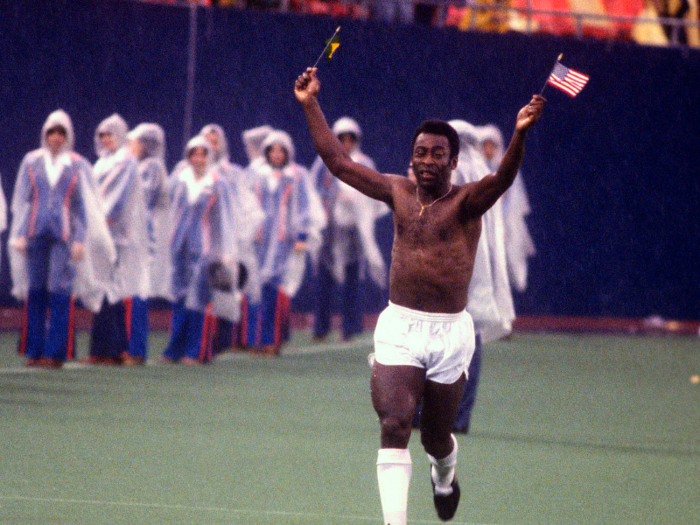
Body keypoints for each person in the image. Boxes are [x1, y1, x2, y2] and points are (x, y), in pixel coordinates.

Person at [294, 67, 544, 524]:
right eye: (420, 153)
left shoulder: (468, 201)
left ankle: (444, 475)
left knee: (435, 436)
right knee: (393, 424)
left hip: (450, 332)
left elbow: (503, 178)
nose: (427, 161)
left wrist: (520, 134)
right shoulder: (398, 192)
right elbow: (339, 164)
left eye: (437, 154)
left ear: (453, 162)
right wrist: (310, 104)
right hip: (400, 327)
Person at [9, 109, 114, 368]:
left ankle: (55, 352)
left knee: (59, 290)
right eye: (52, 132)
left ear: (68, 136)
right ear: (45, 134)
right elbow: (23, 200)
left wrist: (80, 239)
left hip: (63, 236)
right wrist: (20, 233)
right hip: (35, 233)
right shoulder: (32, 161)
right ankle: (34, 349)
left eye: (61, 132)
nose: (56, 137)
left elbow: (83, 207)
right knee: (35, 291)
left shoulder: (77, 164)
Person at [160, 135, 241, 365]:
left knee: (199, 299)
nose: (198, 158)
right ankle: (174, 348)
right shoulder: (178, 179)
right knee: (179, 297)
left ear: (209, 156)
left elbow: (225, 218)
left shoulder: (217, 183)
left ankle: (197, 351)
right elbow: (168, 211)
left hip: (205, 250)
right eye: (194, 154)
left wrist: (225, 250)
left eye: (203, 154)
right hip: (179, 248)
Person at [244, 129, 325, 355]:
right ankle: (257, 339)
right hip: (259, 240)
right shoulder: (257, 175)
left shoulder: (296, 175)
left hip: (283, 242)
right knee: (256, 290)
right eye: (273, 150)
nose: (277, 154)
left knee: (275, 291)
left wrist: (301, 235)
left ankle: (272, 339)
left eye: (281, 150)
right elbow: (246, 204)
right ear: (266, 152)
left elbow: (303, 208)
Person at [310, 116, 388, 342]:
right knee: (325, 277)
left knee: (353, 278)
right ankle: (321, 327)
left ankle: (350, 326)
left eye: (349, 139)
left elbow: (377, 192)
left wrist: (359, 203)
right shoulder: (324, 163)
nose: (345, 143)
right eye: (341, 139)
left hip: (354, 232)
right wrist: (333, 198)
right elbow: (313, 192)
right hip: (329, 230)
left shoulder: (364, 163)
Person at [86, 114, 149, 365]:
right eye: (102, 135)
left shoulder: (125, 161)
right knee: (102, 289)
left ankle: (114, 349)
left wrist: (99, 222)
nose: (106, 139)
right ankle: (101, 349)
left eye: (110, 134)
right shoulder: (101, 163)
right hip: (100, 234)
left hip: (117, 236)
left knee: (112, 290)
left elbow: (117, 200)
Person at [200, 124, 264, 352]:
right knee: (206, 289)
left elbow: (249, 207)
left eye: (215, 141)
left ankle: (236, 338)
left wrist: (241, 235)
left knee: (235, 286)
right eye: (206, 140)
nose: (210, 146)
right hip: (205, 240)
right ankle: (206, 339)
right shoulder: (188, 172)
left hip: (232, 239)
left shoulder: (233, 173)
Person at [124, 122, 170, 365]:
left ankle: (136, 349)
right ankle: (128, 346)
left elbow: (142, 199)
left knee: (139, 291)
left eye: (134, 142)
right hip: (134, 236)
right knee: (131, 290)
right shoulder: (139, 166)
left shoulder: (151, 167)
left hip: (143, 237)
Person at [478, 123, 536, 294]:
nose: (488, 149)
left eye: (492, 145)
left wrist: (501, 222)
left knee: (502, 265)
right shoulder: (476, 168)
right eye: (485, 145)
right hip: (482, 222)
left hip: (502, 224)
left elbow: (512, 199)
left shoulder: (507, 168)